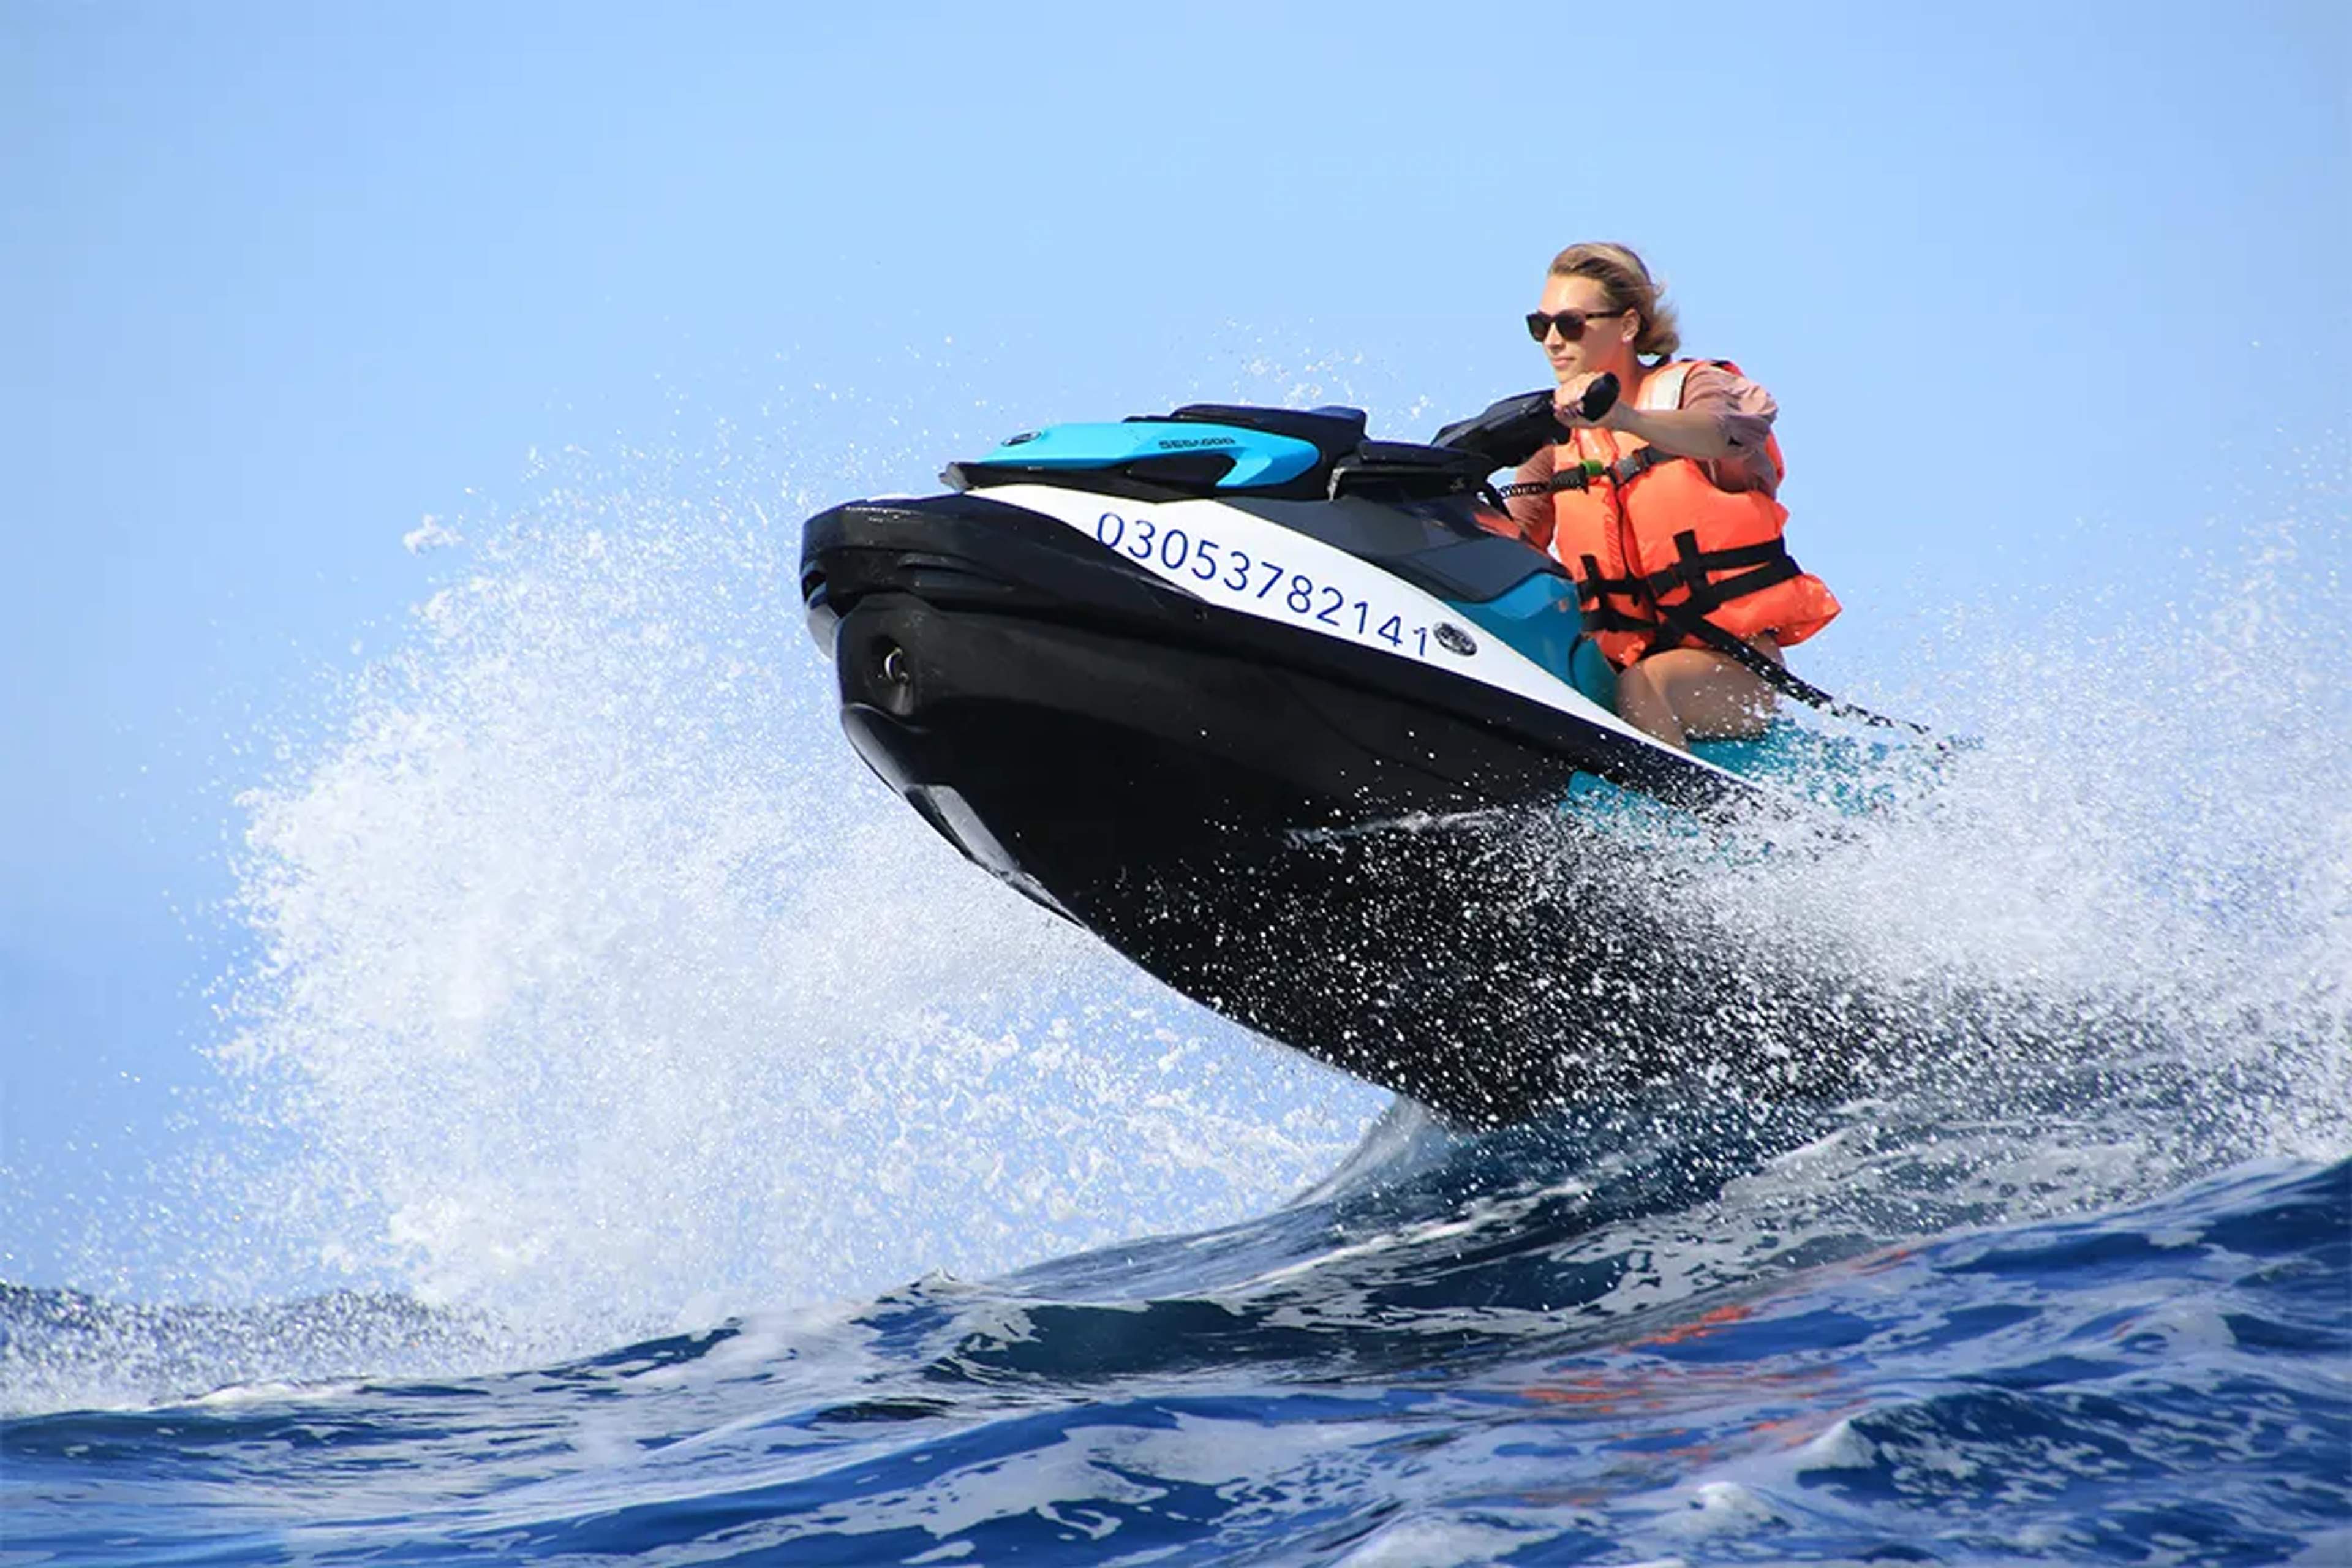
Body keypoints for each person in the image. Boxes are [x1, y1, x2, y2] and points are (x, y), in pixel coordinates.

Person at [1502, 243, 1841, 749]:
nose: (1552, 341)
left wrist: (1625, 418)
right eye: (1540, 326)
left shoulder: (1695, 387)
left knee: (1645, 685)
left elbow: (1726, 433)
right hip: (1618, 660)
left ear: (1629, 325)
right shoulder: (1555, 439)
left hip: (1734, 669)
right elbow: (1511, 541)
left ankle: (1670, 828)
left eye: (1570, 324)